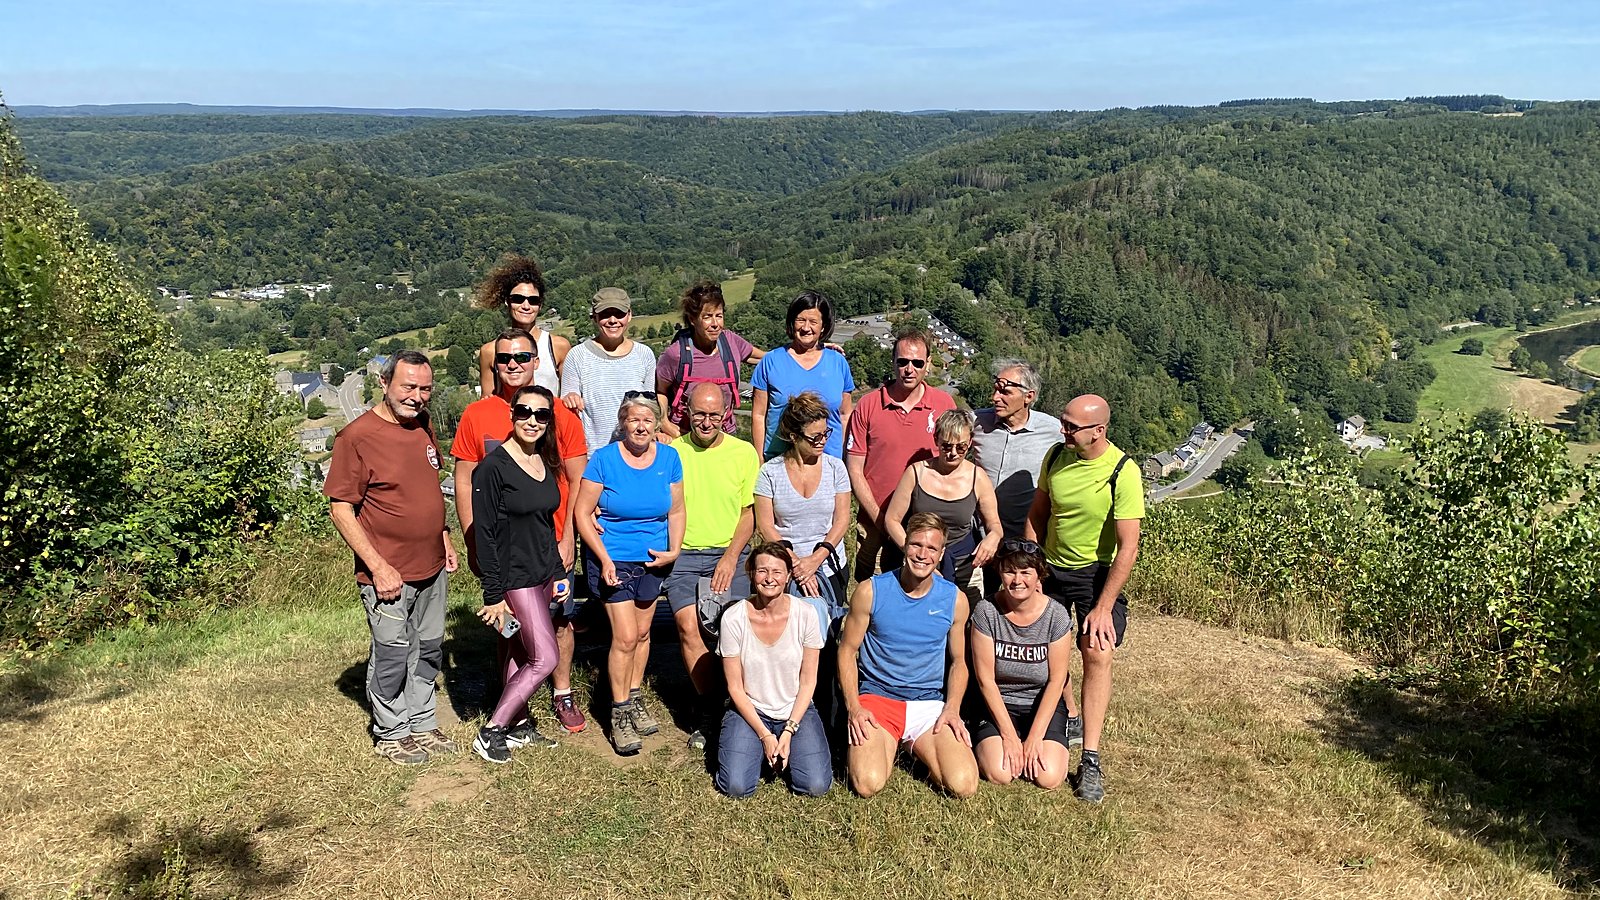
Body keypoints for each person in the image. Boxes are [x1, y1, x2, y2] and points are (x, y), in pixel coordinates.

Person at [450, 328, 590, 734]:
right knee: (511, 629)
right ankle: (513, 713)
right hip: (508, 550)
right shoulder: (478, 414)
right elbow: (464, 481)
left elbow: (577, 478)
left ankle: (561, 694)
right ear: (494, 365)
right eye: (506, 359)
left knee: (558, 623)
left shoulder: (556, 412)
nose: (514, 365)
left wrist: (567, 540)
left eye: (523, 357)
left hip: (551, 542)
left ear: (537, 362)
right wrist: (473, 539)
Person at [325, 350, 459, 765]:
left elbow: (426, 488)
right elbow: (340, 509)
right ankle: (391, 730)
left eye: (424, 389)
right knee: (392, 653)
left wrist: (444, 536)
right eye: (408, 387)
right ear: (384, 384)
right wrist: (378, 566)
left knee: (430, 647)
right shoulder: (357, 437)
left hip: (432, 565)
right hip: (388, 573)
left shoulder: (423, 425)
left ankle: (421, 720)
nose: (417, 396)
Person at [1025, 393, 1144, 803]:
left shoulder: (1123, 472)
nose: (1064, 431)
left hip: (1096, 574)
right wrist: (1030, 568)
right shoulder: (1056, 457)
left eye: (1073, 426)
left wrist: (1104, 607)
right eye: (1064, 422)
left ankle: (1090, 757)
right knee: (1044, 645)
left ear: (1099, 430)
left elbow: (1129, 546)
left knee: (1096, 648)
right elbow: (1037, 515)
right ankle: (1071, 713)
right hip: (1051, 567)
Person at [836, 512, 978, 798]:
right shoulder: (870, 591)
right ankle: (888, 744)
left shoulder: (955, 600)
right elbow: (847, 652)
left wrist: (951, 708)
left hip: (927, 705)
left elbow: (959, 662)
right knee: (867, 784)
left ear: (941, 554)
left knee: (964, 786)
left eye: (931, 548)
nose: (922, 554)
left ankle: (914, 746)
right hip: (878, 700)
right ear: (905, 545)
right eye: (916, 545)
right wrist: (854, 707)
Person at [574, 395, 685, 754]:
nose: (641, 426)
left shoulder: (669, 458)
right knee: (623, 637)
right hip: (613, 559)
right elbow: (582, 512)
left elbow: (678, 509)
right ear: (623, 424)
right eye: (634, 420)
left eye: (648, 420)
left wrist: (675, 549)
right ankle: (618, 711)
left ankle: (634, 695)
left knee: (641, 633)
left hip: (653, 558)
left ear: (657, 425)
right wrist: (603, 559)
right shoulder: (604, 460)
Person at [469, 386, 572, 763]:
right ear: (512, 415)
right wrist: (493, 595)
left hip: (544, 573)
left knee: (518, 650)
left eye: (541, 414)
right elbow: (485, 535)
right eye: (524, 412)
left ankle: (518, 724)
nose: (532, 420)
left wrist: (559, 572)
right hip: (515, 580)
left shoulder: (543, 461)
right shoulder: (492, 468)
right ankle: (492, 729)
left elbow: (546, 526)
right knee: (544, 658)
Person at [665, 383, 761, 750]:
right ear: (686, 412)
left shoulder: (743, 454)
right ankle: (709, 707)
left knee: (733, 626)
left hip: (729, 552)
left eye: (713, 414)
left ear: (726, 413)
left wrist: (731, 557)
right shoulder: (673, 452)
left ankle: (735, 702)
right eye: (699, 413)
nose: (706, 421)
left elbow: (747, 513)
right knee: (688, 624)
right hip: (685, 555)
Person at [715, 543, 832, 798]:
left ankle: (786, 750)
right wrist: (766, 735)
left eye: (777, 572)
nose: (769, 579)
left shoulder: (806, 614)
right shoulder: (733, 618)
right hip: (750, 710)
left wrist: (789, 730)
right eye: (762, 571)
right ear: (751, 574)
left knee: (815, 786)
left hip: (795, 708)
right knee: (736, 787)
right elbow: (734, 686)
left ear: (789, 575)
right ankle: (757, 748)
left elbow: (809, 681)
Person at [845, 326, 955, 582]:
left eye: (917, 363)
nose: (909, 369)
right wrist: (880, 519)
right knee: (869, 589)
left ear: (928, 364)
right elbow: (854, 468)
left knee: (921, 590)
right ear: (893, 361)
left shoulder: (944, 405)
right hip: (873, 522)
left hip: (926, 524)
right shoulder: (868, 405)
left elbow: (952, 463)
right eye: (903, 361)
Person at [968, 539, 1074, 790]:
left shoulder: (1056, 615)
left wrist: (1035, 737)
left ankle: (1050, 737)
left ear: (1039, 576)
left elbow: (1057, 680)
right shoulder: (986, 611)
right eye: (1010, 571)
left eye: (1026, 572)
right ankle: (991, 735)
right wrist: (1008, 735)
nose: (1017, 580)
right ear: (1000, 573)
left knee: (1047, 777)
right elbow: (985, 680)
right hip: (998, 702)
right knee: (1000, 772)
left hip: (1040, 702)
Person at [753, 391, 852, 616]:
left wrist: (816, 560)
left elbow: (842, 519)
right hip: (784, 569)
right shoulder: (770, 472)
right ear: (794, 437)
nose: (823, 441)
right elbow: (766, 525)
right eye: (814, 437)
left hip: (829, 565)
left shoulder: (836, 468)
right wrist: (796, 564)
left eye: (825, 433)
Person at [882, 408, 1003, 588]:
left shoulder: (978, 477)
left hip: (965, 564)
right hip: (920, 562)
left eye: (960, 447)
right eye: (946, 446)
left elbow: (994, 524)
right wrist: (912, 551)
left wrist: (993, 538)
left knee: (968, 614)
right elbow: (892, 520)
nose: (953, 453)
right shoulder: (916, 472)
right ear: (936, 440)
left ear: (969, 443)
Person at [750, 291, 854, 460]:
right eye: (800, 320)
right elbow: (759, 415)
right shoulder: (770, 362)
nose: (806, 328)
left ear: (824, 327)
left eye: (813, 321)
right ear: (792, 322)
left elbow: (845, 415)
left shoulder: (838, 363)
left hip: (829, 463)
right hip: (779, 462)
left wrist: (844, 458)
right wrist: (759, 459)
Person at [656, 279, 763, 440]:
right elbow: (660, 390)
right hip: (684, 435)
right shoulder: (677, 354)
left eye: (719, 316)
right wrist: (665, 423)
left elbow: (765, 359)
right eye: (707, 317)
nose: (715, 324)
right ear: (693, 319)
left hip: (725, 434)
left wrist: (798, 354)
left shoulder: (730, 342)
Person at [560, 287, 657, 454]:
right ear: (595, 318)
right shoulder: (577, 355)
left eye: (619, 314)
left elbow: (650, 407)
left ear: (629, 315)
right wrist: (570, 398)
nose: (613, 320)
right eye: (605, 314)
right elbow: (568, 406)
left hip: (637, 453)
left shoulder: (645, 355)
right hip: (594, 455)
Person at [473, 254, 569, 396]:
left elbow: (567, 399)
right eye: (518, 299)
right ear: (507, 301)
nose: (526, 306)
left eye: (533, 300)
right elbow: (487, 404)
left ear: (540, 305)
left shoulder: (558, 347)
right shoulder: (490, 352)